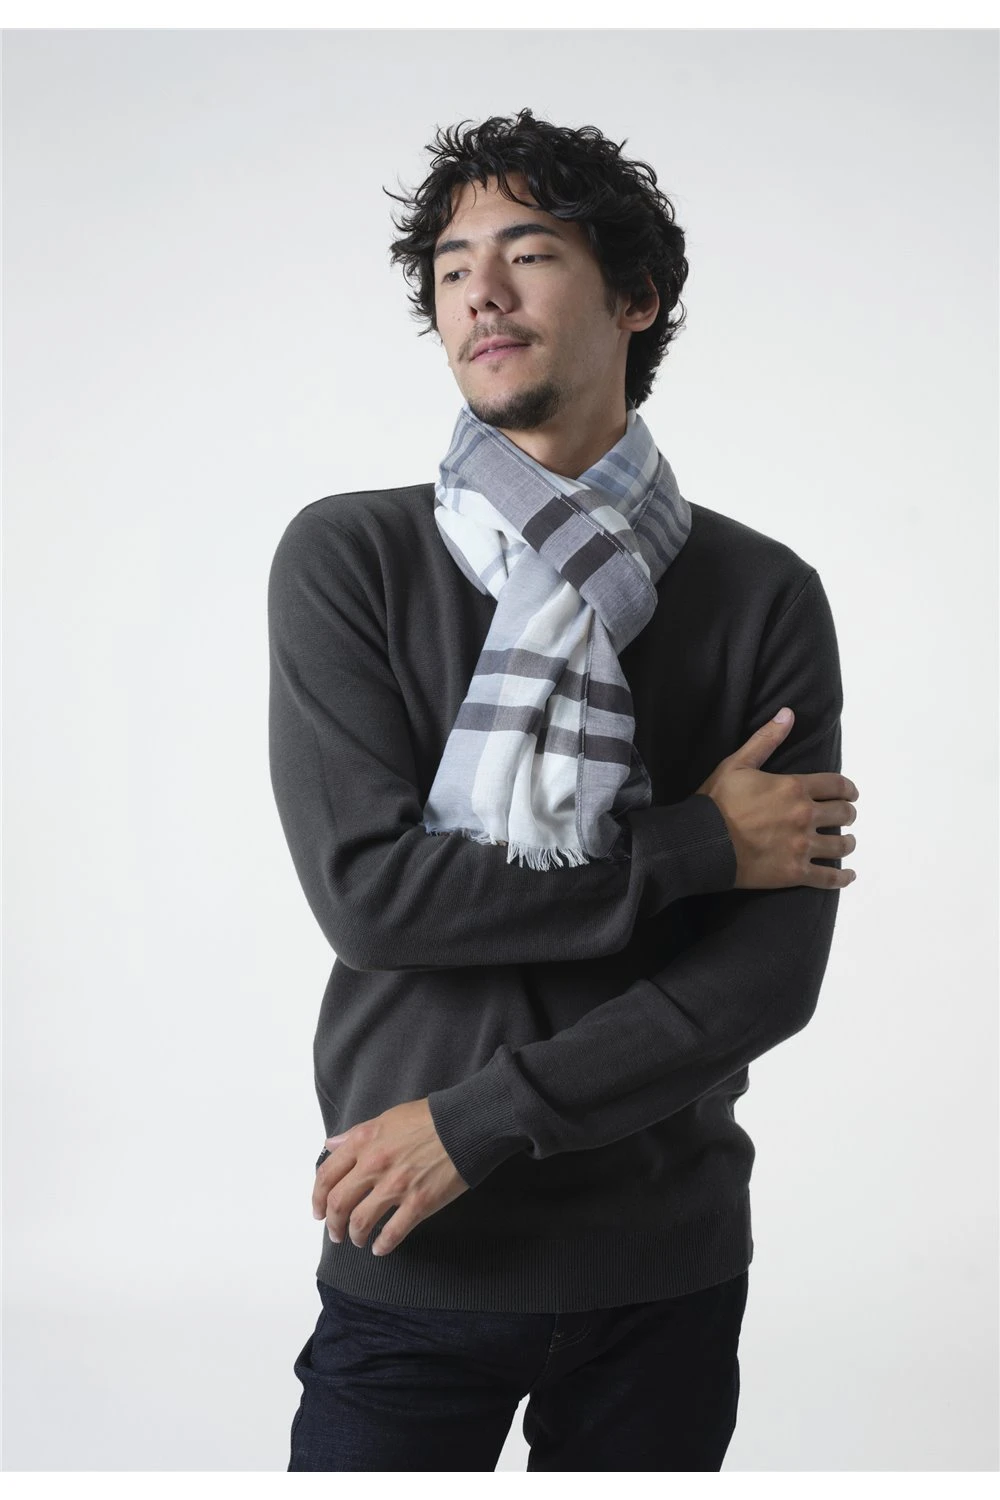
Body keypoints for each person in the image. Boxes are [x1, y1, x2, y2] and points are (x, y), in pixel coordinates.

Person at [268, 108, 859, 1473]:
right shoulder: (352, 559)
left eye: (528, 253)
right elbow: (374, 897)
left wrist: (477, 1124)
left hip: (662, 1262)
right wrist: (698, 846)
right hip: (411, 1243)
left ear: (635, 298)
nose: (480, 290)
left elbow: (768, 976)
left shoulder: (761, 593)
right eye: (452, 266)